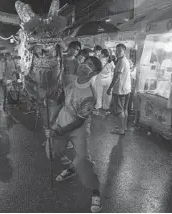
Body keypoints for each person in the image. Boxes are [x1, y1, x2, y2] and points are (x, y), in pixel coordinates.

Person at [45, 56, 102, 213]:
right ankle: (71, 168)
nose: (85, 66)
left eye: (90, 65)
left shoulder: (90, 94)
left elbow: (79, 121)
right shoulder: (69, 80)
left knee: (83, 160)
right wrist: (53, 118)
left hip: (78, 127)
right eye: (86, 62)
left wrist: (59, 131)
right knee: (51, 152)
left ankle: (95, 191)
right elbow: (62, 99)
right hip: (62, 121)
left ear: (94, 73)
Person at [107, 44, 131, 135]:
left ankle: (121, 129)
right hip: (126, 89)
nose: (117, 53)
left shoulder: (121, 62)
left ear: (124, 51)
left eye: (119, 51)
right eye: (116, 51)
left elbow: (117, 77)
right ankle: (123, 126)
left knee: (119, 110)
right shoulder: (125, 60)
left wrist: (110, 88)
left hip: (120, 90)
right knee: (124, 109)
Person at [93, 49, 115, 115]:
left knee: (99, 95)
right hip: (108, 80)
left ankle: (97, 110)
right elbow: (113, 69)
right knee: (107, 95)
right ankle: (106, 110)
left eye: (101, 53)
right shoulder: (111, 61)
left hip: (100, 79)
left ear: (102, 54)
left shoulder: (100, 61)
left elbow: (96, 70)